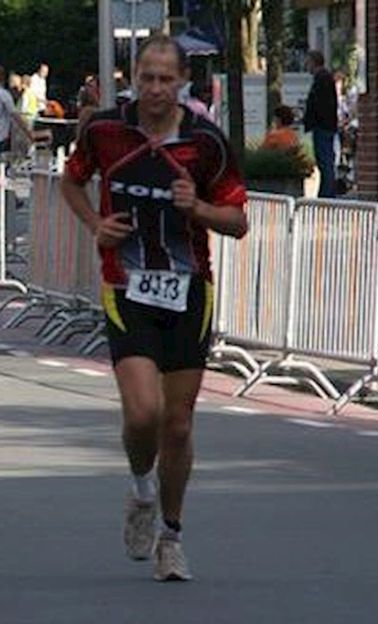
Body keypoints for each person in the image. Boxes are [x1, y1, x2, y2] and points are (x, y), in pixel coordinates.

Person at [59, 35, 248, 581]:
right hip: (127, 286)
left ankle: (171, 535)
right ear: (133, 77)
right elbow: (72, 183)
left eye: (167, 79)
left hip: (189, 289)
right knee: (143, 413)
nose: (156, 88)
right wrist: (97, 226)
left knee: (180, 425)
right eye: (147, 77)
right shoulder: (105, 131)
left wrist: (201, 208)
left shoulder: (206, 143)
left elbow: (239, 221)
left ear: (183, 81)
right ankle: (142, 489)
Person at [303, 50, 338, 198]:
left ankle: (327, 194)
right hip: (326, 125)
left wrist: (310, 119)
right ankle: (326, 193)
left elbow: (318, 104)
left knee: (325, 161)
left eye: (308, 62)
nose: (306, 65)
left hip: (322, 126)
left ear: (313, 62)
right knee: (325, 161)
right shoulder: (325, 78)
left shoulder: (321, 79)